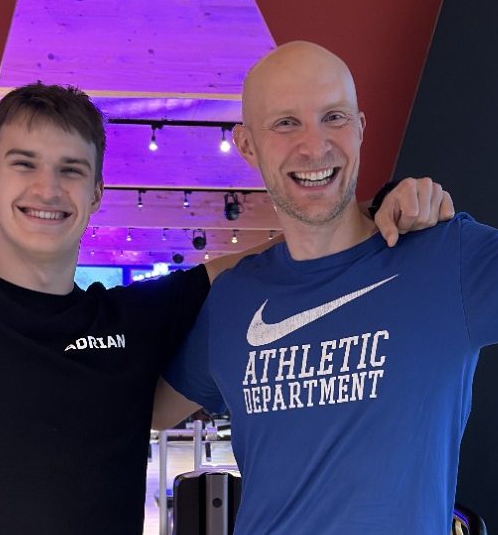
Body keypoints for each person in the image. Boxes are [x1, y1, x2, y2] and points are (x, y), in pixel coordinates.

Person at [0, 82, 448, 535]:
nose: (47, 189)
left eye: (71, 170)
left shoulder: (128, 323)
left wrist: (377, 211)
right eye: (25, 164)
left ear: (96, 193)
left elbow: (255, 260)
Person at [155, 41, 494, 534]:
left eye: (333, 117)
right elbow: (144, 412)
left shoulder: (447, 257)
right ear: (246, 145)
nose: (314, 147)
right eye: (285, 123)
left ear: (360, 128)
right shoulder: (232, 300)